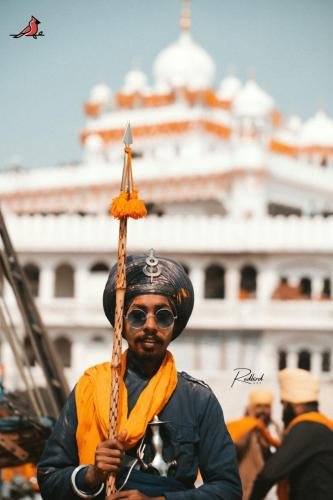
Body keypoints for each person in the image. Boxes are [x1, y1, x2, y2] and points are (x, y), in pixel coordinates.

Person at [37, 252, 242, 499]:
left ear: (174, 325)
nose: (150, 326)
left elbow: (228, 490)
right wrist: (91, 475)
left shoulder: (197, 399)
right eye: (137, 315)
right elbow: (49, 478)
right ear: (121, 323)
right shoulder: (91, 388)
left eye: (163, 316)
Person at [249, 368, 333, 500]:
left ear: (296, 405)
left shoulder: (307, 428)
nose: (283, 412)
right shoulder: (322, 427)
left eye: (284, 405)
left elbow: (269, 474)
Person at [227, 389, 280, 500]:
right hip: (247, 492)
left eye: (266, 407)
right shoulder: (242, 428)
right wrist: (250, 424)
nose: (263, 411)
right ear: (250, 408)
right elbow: (232, 448)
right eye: (258, 406)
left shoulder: (275, 430)